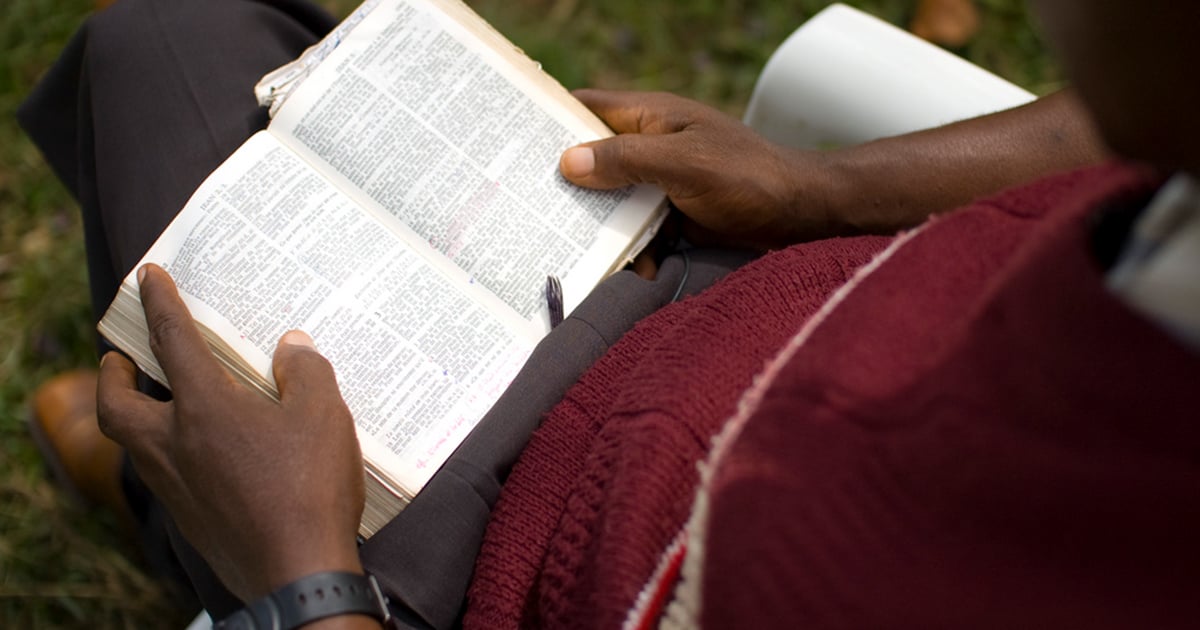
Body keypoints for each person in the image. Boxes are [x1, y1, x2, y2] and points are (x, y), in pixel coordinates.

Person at [22, 0, 1200, 627]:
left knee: (158, 116)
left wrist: (302, 577)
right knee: (164, 35)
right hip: (723, 291)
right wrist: (816, 188)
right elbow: (1140, 111)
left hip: (493, 562)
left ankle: (177, 518)